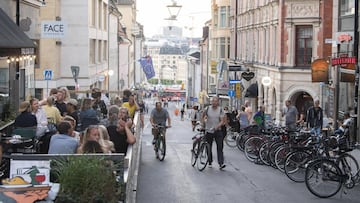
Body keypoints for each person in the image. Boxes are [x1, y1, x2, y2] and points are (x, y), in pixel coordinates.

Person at [201, 96, 227, 169]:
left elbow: (222, 121)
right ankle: (210, 161)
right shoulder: (207, 109)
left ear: (218, 102)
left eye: (215, 101)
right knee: (209, 147)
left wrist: (217, 127)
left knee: (220, 147)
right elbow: (203, 116)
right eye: (212, 101)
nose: (214, 102)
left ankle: (221, 163)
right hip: (209, 130)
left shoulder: (220, 110)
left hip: (217, 131)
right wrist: (203, 124)